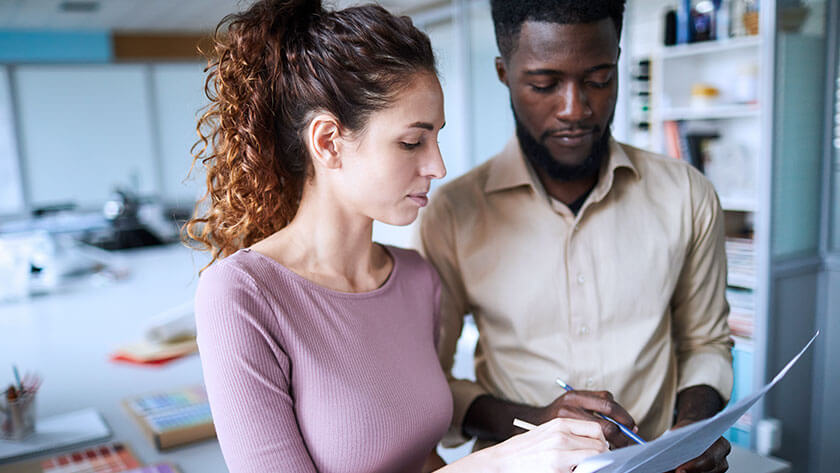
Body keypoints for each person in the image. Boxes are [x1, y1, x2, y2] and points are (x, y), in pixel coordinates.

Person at [186, 1, 607, 472]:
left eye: (437, 139)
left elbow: (425, 460)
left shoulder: (416, 279)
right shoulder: (242, 295)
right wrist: (498, 463)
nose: (438, 167)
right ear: (327, 142)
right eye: (412, 142)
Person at [418, 1, 734, 472]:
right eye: (544, 85)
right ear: (504, 72)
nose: (575, 109)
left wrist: (688, 435)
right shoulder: (453, 214)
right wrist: (537, 422)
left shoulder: (686, 196)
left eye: (599, 79)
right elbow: (432, 383)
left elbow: (705, 344)